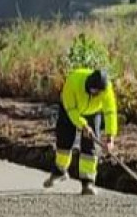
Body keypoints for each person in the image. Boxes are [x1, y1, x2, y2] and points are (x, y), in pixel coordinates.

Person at [43, 66, 118, 196]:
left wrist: (110, 138)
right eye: (93, 92)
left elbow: (110, 112)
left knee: (90, 147)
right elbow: (71, 109)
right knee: (64, 140)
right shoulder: (73, 82)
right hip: (70, 110)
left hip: (93, 112)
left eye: (98, 93)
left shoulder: (106, 89)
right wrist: (83, 125)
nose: (96, 94)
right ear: (88, 86)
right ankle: (60, 172)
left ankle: (88, 182)